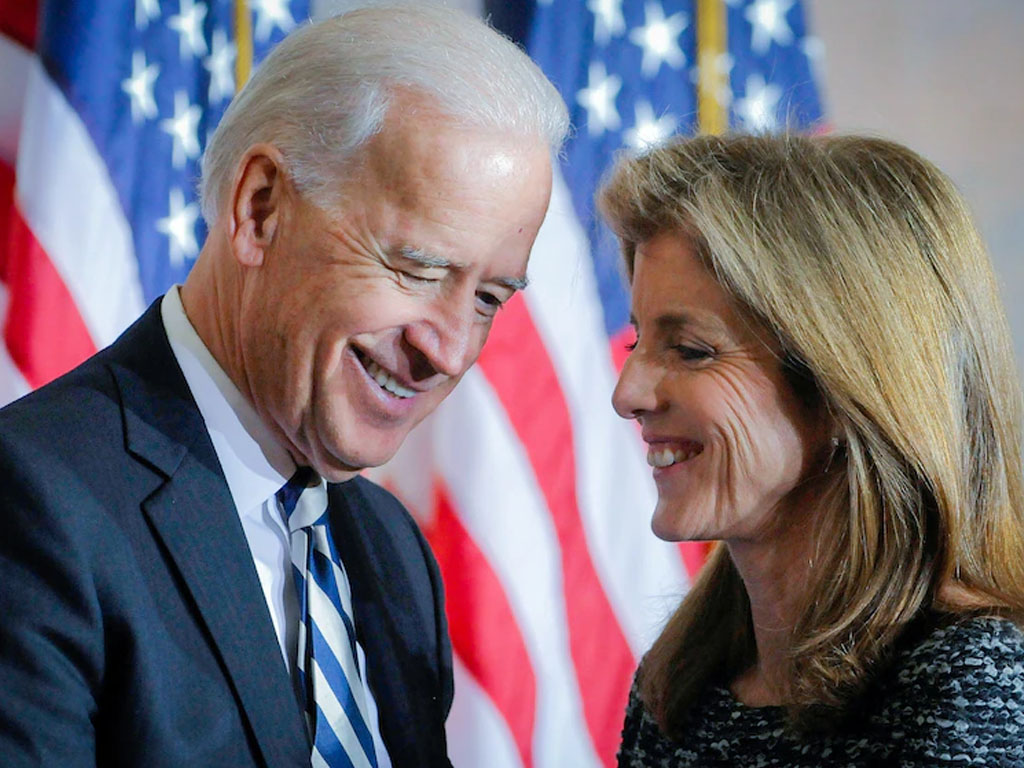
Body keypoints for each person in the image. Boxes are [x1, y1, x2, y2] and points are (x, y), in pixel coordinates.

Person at [0, 6, 567, 767]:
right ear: (261, 209)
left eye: (490, 299)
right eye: (419, 268)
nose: (453, 349)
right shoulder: (33, 503)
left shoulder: (392, 553)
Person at [600, 134, 1024, 766]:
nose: (627, 393)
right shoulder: (683, 679)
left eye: (691, 350)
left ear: (845, 389)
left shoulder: (974, 684)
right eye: (637, 340)